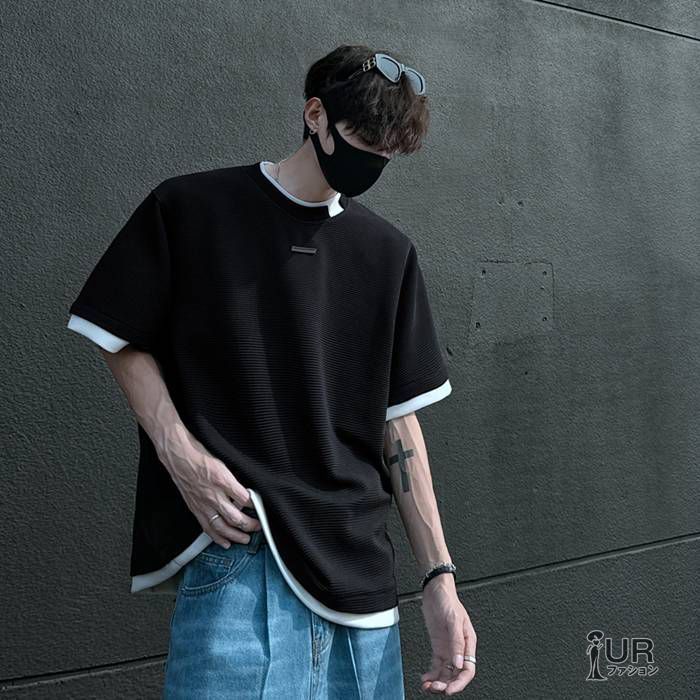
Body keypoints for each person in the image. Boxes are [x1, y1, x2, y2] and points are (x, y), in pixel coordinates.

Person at [67, 44, 477, 698]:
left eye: (388, 152)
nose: (374, 162)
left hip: (364, 589)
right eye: (364, 141)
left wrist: (440, 582)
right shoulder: (194, 208)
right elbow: (119, 335)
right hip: (242, 559)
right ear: (315, 115)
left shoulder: (387, 253)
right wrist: (180, 453)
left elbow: (398, 426)